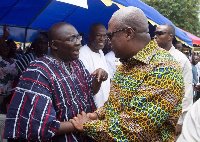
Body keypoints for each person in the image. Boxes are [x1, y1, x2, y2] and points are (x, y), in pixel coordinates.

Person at [69, 6, 184, 141]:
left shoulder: (163, 69)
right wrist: (98, 114)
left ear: (129, 34)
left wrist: (88, 126)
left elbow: (135, 129)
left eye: (110, 35)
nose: (108, 41)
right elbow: (116, 104)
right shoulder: (127, 63)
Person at [4, 22, 108, 141]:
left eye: (78, 37)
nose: (79, 42)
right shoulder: (38, 71)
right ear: (54, 45)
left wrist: (98, 79)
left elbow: (91, 91)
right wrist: (80, 124)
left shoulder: (76, 64)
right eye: (72, 39)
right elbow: (39, 126)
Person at [155, 24, 193, 136]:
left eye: (159, 33)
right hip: (152, 117)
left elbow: (187, 92)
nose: (155, 36)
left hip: (171, 119)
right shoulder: (151, 56)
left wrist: (179, 121)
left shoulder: (181, 60)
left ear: (170, 37)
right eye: (155, 33)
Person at [79, 23, 110, 108]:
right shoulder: (82, 54)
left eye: (105, 36)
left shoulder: (100, 52)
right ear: (90, 36)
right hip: (92, 107)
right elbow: (85, 85)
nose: (102, 39)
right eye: (98, 35)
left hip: (105, 105)